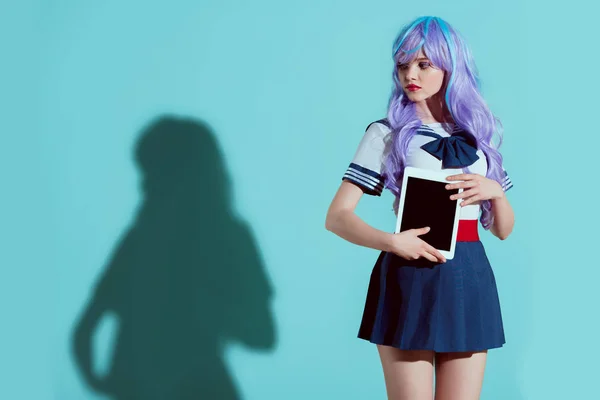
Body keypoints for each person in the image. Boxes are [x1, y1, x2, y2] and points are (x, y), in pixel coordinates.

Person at [325, 16, 515, 400]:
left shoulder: (479, 136)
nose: (411, 74)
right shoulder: (387, 132)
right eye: (403, 65)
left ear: (451, 66)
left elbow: (503, 229)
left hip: (469, 273)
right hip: (409, 272)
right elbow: (338, 217)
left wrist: (496, 191)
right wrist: (393, 243)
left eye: (424, 64)